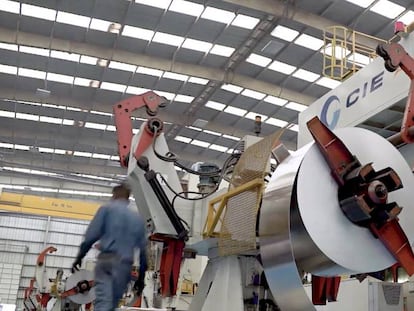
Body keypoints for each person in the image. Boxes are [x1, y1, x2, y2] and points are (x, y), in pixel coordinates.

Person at [72, 182, 147, 311]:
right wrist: (141, 278)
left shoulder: (106, 210)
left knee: (103, 303)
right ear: (128, 199)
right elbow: (143, 253)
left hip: (107, 262)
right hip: (124, 267)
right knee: (112, 304)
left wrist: (80, 256)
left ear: (113, 196)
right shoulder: (137, 219)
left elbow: (91, 235)